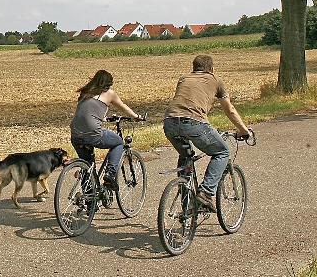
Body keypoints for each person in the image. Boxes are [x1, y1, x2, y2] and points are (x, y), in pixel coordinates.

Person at [163, 55, 251, 211]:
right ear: (211, 69)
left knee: (185, 157)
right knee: (222, 152)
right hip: (194, 123)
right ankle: (206, 193)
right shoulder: (216, 80)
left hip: (169, 123)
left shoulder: (184, 78)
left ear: (194, 67)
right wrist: (244, 130)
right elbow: (229, 110)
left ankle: (187, 206)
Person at [70, 69, 144, 189]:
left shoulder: (85, 93)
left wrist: (102, 118)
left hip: (75, 134)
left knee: (87, 165)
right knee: (118, 142)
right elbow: (123, 106)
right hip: (93, 133)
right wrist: (137, 117)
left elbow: (88, 112)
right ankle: (110, 174)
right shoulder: (109, 93)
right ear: (109, 83)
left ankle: (89, 202)